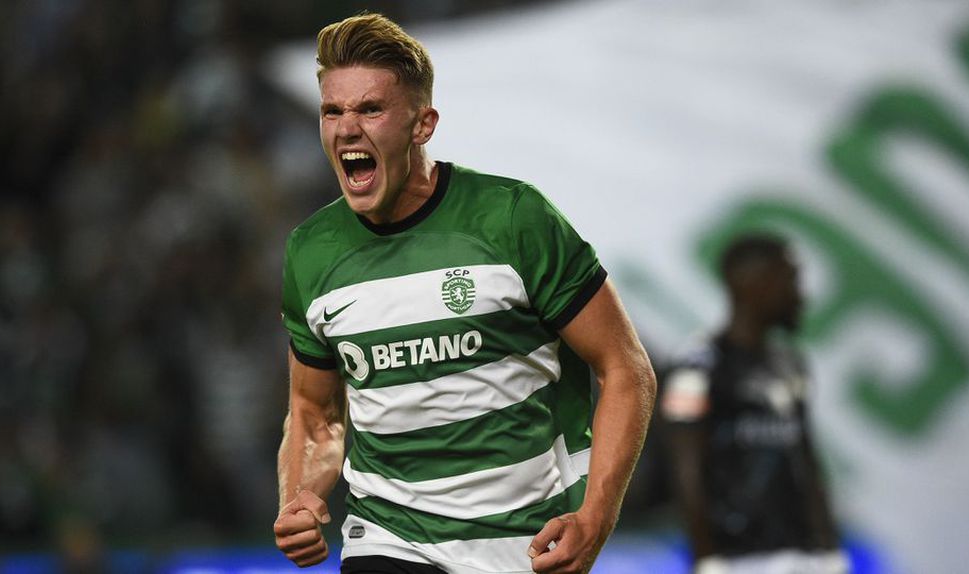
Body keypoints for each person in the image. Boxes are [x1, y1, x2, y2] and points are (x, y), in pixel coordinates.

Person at [273, 12, 656, 574]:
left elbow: (625, 368)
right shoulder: (311, 251)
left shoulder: (514, 219)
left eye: (370, 109)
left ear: (422, 124)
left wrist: (596, 516)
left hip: (525, 543)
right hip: (388, 535)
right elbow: (315, 411)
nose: (346, 128)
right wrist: (299, 498)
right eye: (333, 111)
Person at [662, 234, 848, 574]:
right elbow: (686, 469)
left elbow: (806, 462)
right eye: (790, 280)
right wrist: (706, 558)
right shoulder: (698, 365)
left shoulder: (791, 364)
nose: (800, 295)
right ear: (753, 285)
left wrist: (830, 548)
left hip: (805, 554)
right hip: (741, 558)